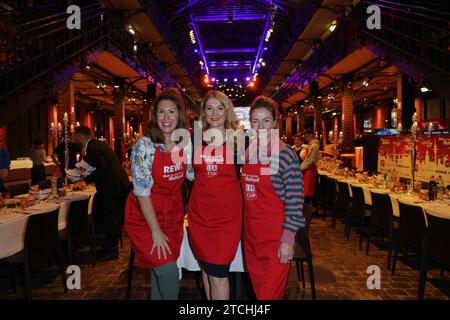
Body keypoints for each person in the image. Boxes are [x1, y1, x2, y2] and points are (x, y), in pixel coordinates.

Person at [124, 88, 194, 300]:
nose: (166, 118)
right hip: (145, 218)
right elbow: (142, 193)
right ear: (154, 116)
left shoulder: (186, 142)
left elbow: (193, 175)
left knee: (159, 271)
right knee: (168, 271)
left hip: (171, 216)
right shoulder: (144, 146)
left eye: (171, 112)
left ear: (179, 115)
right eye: (161, 112)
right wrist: (155, 230)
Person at [241, 96, 305, 300]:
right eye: (255, 121)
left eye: (266, 120)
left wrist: (287, 240)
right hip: (252, 239)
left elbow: (295, 203)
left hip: (275, 240)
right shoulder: (249, 152)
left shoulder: (285, 155)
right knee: (259, 293)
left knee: (269, 295)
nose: (260, 126)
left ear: (275, 123)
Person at [187, 90, 243, 300]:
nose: (214, 113)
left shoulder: (239, 140)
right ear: (203, 112)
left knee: (219, 275)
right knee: (206, 272)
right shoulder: (195, 138)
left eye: (220, 108)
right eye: (209, 108)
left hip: (226, 219)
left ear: (227, 111)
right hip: (200, 215)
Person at [73, 126, 131, 261]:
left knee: (111, 219)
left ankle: (111, 250)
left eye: (75, 136)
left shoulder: (92, 148)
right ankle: (109, 247)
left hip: (112, 186)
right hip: (118, 184)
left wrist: (85, 179)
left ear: (81, 136)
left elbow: (102, 169)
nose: (74, 139)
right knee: (110, 217)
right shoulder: (97, 145)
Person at [300, 129, 319, 204]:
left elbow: (309, 161)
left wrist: (300, 168)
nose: (304, 137)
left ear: (311, 135)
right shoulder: (310, 145)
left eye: (306, 135)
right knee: (306, 191)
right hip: (308, 169)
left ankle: (308, 210)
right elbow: (305, 158)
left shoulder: (314, 146)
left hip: (310, 170)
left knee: (308, 192)